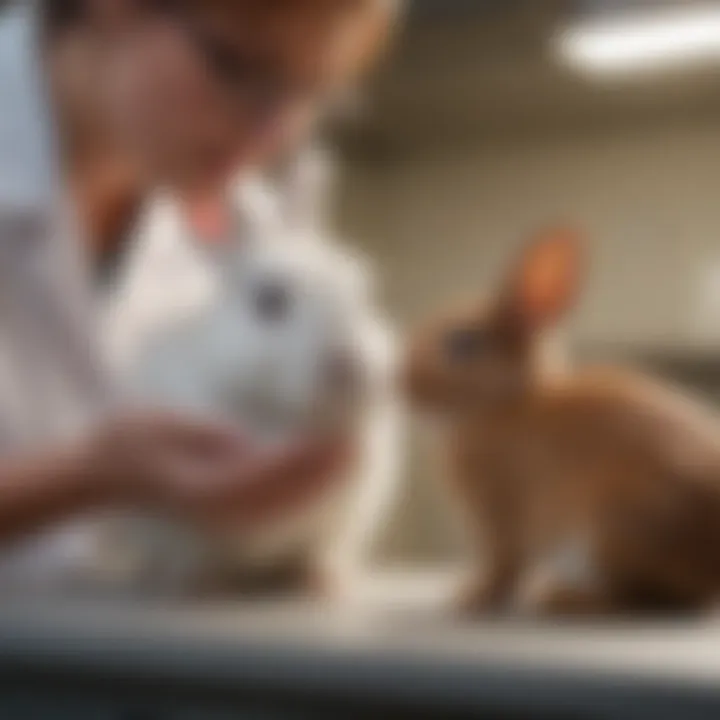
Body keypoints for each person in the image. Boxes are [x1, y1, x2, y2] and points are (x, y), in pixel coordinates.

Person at [0, 0, 400, 550]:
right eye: (241, 68)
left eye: (311, 94)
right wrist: (85, 477)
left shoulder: (249, 227)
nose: (274, 132)